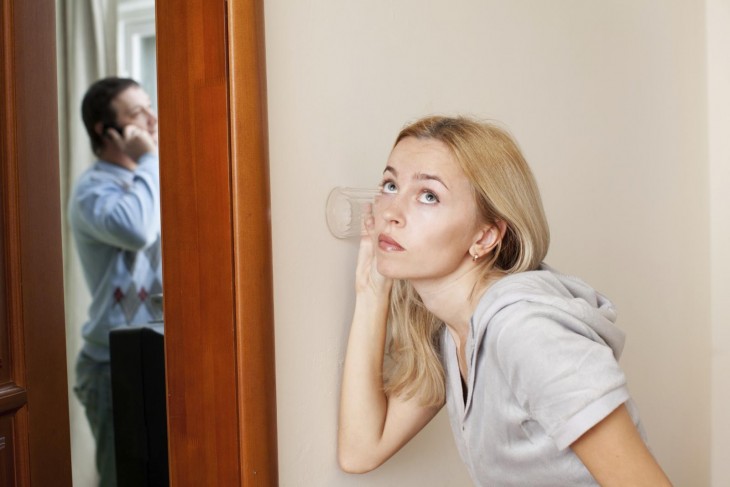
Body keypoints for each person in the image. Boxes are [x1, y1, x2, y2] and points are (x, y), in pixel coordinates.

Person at [337, 116, 672, 486]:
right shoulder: (454, 333)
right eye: (390, 184)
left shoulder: (525, 332)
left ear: (485, 236)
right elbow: (361, 450)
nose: (391, 213)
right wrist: (371, 291)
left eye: (428, 195)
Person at [69, 77, 162, 487]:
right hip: (109, 363)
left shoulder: (153, 179)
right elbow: (138, 229)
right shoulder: (92, 190)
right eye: (137, 114)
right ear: (106, 130)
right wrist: (149, 159)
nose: (152, 119)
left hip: (155, 350)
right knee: (122, 478)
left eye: (149, 107)